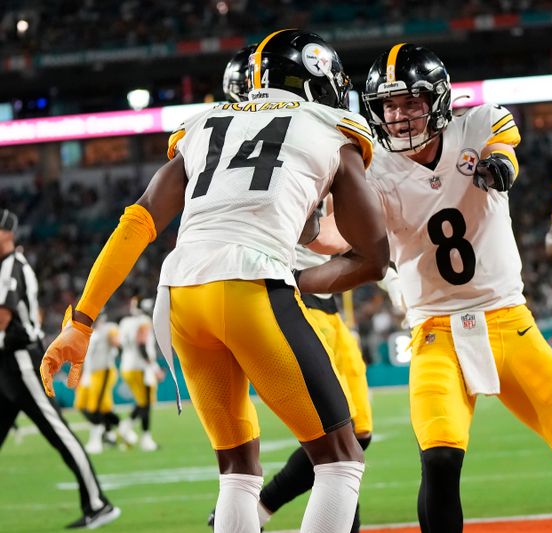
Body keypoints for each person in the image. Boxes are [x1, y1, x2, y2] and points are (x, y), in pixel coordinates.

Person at [40, 29, 389, 533]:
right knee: (340, 459)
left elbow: (136, 223)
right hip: (251, 286)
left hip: (178, 298)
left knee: (238, 474)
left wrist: (82, 320)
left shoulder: (204, 123)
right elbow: (374, 256)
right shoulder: (331, 127)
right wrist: (302, 275)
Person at [360, 44, 552, 533]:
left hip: (507, 320)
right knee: (438, 457)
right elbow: (340, 232)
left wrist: (500, 167)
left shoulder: (476, 127)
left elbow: (504, 151)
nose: (399, 116)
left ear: (436, 99)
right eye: (389, 105)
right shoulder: (374, 167)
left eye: (411, 102)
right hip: (435, 331)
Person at [206, 46, 374, 532]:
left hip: (313, 302)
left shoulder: (243, 140)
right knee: (342, 444)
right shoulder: (295, 139)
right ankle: (258, 507)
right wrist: (376, 238)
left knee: (349, 438)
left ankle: (256, 508)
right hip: (296, 298)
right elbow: (317, 235)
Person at [0, 209, 120, 529]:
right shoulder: (7, 266)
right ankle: (97, 503)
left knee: (58, 432)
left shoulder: (12, 266)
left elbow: (4, 314)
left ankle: (98, 503)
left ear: (8, 233)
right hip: (6, 362)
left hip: (19, 360)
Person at [118, 296, 162, 451]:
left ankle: (128, 428)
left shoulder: (124, 322)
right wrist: (154, 367)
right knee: (146, 403)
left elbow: (120, 347)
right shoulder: (143, 321)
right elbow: (142, 345)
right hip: (141, 368)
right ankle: (143, 437)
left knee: (143, 402)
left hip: (127, 366)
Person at [74, 314, 123, 454]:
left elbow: (117, 343)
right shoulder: (87, 333)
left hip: (104, 371)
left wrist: (116, 343)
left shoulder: (108, 328)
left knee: (96, 407)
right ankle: (117, 429)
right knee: (81, 405)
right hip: (90, 373)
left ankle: (97, 439)